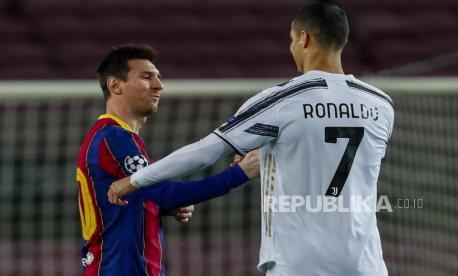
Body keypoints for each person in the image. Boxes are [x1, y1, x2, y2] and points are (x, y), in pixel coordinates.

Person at [108, 1, 394, 275]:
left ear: (304, 39)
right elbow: (330, 159)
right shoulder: (380, 105)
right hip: (365, 263)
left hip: (300, 262)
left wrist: (135, 180)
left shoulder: (283, 100)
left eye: (292, 40)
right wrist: (271, 155)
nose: (292, 48)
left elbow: (206, 150)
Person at [76, 44, 259, 276]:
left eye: (159, 78)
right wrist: (239, 173)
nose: (159, 85)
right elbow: (166, 191)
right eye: (146, 77)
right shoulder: (114, 138)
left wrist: (160, 207)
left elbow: (122, 199)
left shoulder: (119, 138)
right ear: (115, 85)